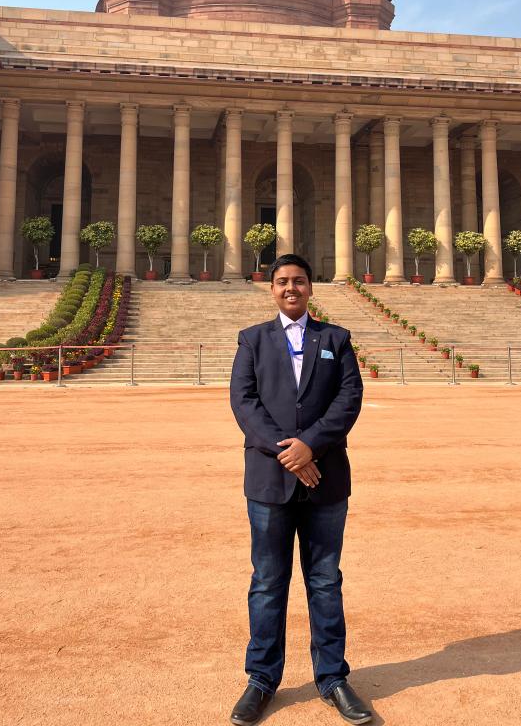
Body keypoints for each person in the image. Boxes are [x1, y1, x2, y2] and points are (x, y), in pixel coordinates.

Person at [229, 254, 373, 725]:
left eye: (299, 281)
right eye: (282, 282)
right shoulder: (252, 340)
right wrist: (288, 452)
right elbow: (244, 402)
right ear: (271, 289)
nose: (291, 288)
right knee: (268, 583)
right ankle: (261, 679)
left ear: (311, 288)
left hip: (325, 478)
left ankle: (332, 677)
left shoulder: (336, 339)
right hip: (271, 481)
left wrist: (310, 445)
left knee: (326, 582)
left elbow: (349, 398)